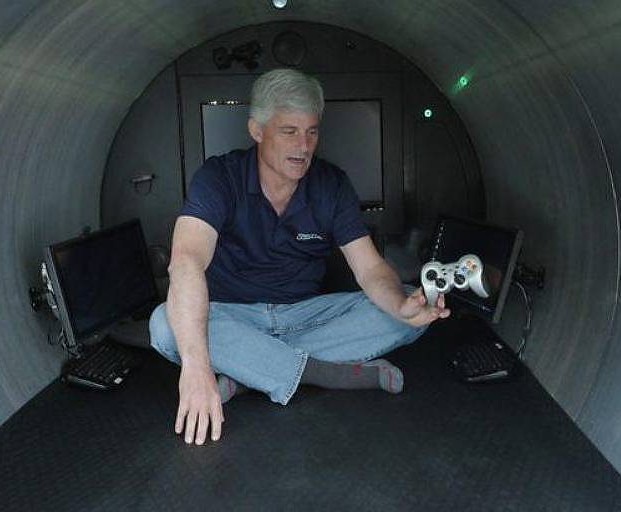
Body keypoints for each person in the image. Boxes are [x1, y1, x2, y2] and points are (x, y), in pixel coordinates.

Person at [149, 68, 450, 446]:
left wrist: (402, 307)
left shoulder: (331, 184)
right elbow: (186, 262)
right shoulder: (219, 177)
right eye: (289, 131)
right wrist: (195, 371)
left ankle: (245, 373)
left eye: (312, 132)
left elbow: (371, 268)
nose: (304, 146)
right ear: (257, 130)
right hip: (230, 316)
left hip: (305, 318)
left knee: (408, 308)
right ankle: (323, 372)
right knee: (164, 323)